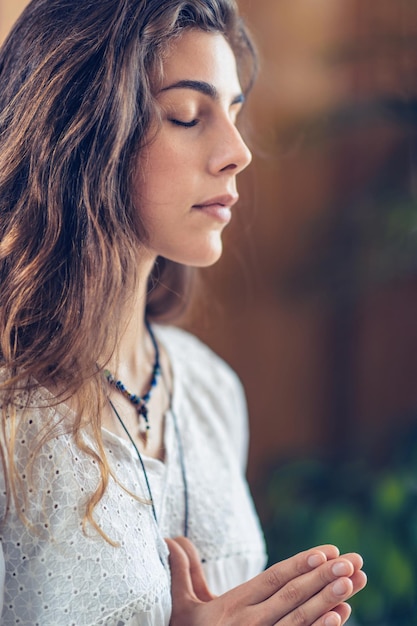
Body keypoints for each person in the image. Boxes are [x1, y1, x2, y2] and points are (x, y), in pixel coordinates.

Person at [0, 0, 367, 624]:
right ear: (81, 133)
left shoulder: (211, 389)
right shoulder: (13, 409)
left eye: (234, 113)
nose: (238, 151)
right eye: (187, 116)